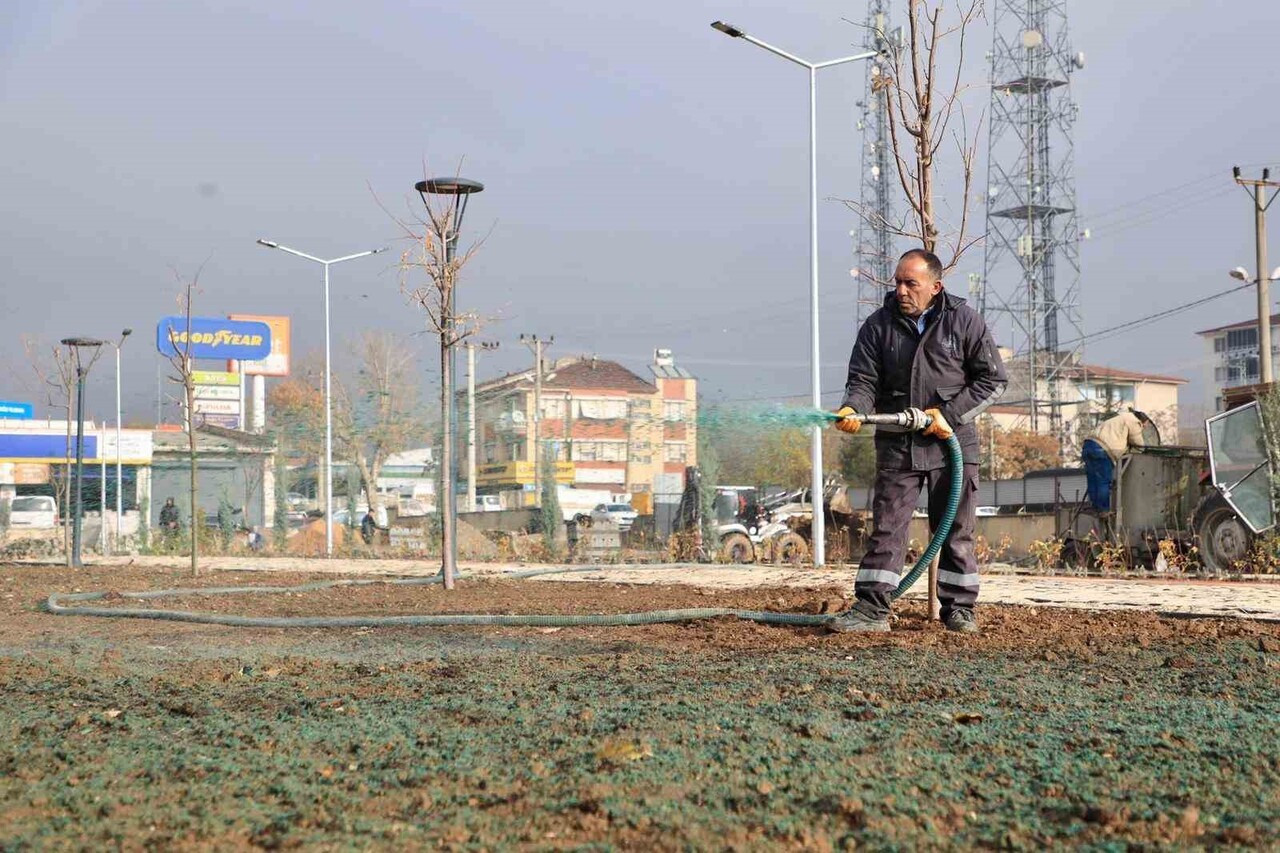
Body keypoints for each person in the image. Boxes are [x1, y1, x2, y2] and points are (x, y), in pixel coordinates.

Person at [829, 249, 1007, 634]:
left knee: (956, 530)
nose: (902, 290)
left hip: (952, 446)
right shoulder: (878, 327)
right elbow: (862, 381)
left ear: (935, 286)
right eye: (898, 282)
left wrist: (949, 415)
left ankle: (959, 610)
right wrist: (852, 409)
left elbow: (992, 380)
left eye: (911, 283)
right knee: (888, 529)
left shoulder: (964, 321)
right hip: (897, 446)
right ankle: (872, 610)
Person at [1082, 409, 1152, 513]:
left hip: (1088, 445)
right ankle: (1103, 510)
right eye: (1146, 425)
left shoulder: (1120, 419)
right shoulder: (1133, 421)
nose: (1145, 427)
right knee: (1103, 481)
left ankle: (1094, 506)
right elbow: (1139, 445)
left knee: (1093, 479)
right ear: (1143, 421)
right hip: (1102, 449)